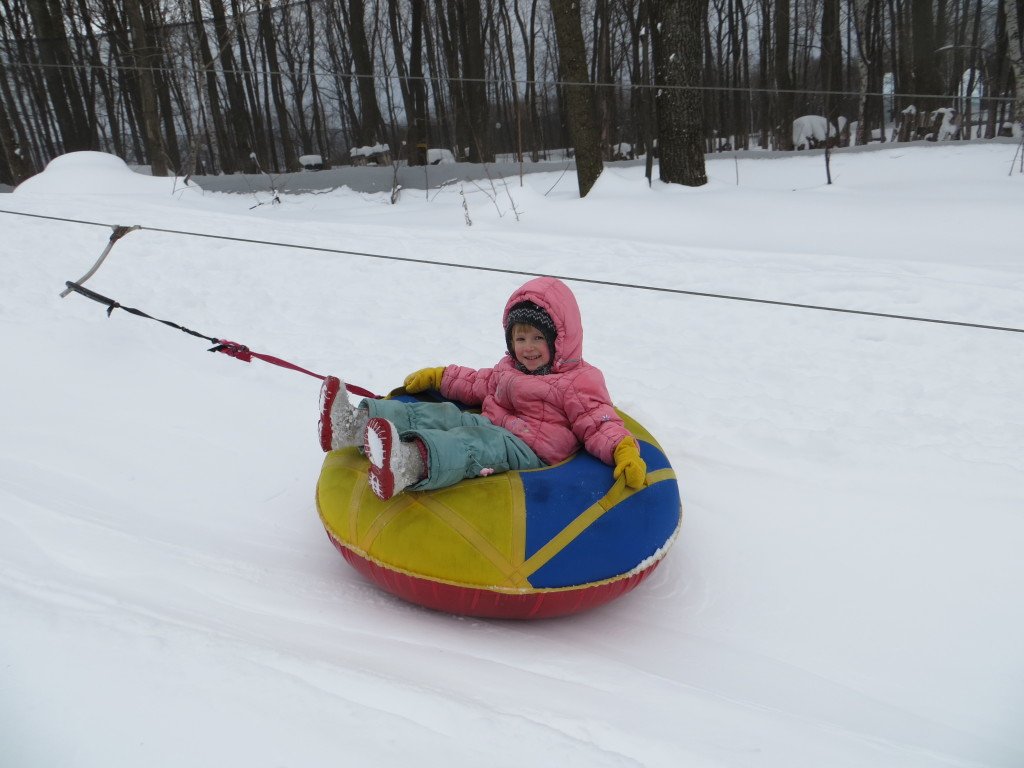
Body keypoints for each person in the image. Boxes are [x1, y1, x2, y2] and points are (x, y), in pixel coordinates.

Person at [318, 276, 646, 500]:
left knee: (471, 444)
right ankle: (352, 424)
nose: (528, 348)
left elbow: (599, 421)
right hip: (490, 423)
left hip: (529, 449)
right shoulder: (508, 368)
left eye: (538, 338)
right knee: (443, 415)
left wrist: (624, 450)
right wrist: (439, 376)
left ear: (560, 340)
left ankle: (409, 463)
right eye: (520, 338)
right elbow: (475, 382)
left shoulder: (578, 380)